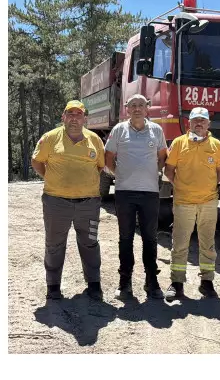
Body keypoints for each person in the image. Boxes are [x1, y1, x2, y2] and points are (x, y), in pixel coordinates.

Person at [31, 100, 106, 301]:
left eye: (78, 114)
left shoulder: (95, 140)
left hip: (89, 204)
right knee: (54, 244)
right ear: (63, 117)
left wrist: (83, 184)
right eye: (70, 114)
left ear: (85, 119)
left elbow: (99, 166)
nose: (74, 118)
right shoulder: (50, 138)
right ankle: (53, 286)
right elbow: (37, 161)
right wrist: (52, 179)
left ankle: (94, 284)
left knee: (90, 242)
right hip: (56, 203)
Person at [104, 94, 168, 300]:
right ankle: (125, 282)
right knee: (126, 238)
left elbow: (162, 157)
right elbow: (108, 158)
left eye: (141, 105)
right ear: (127, 109)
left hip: (150, 193)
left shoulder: (156, 130)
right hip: (124, 193)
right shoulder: (118, 130)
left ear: (148, 108)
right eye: (133, 105)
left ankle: (152, 281)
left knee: (150, 238)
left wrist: (152, 173)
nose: (137, 109)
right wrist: (120, 175)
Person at [163, 107, 220, 300]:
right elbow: (169, 171)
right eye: (195, 120)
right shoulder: (178, 143)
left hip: (208, 202)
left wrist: (208, 187)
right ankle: (176, 283)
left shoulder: (216, 145)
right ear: (189, 123)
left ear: (208, 124)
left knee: (207, 243)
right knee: (180, 244)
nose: (198, 123)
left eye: (202, 120)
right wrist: (181, 187)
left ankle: (207, 282)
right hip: (183, 202)